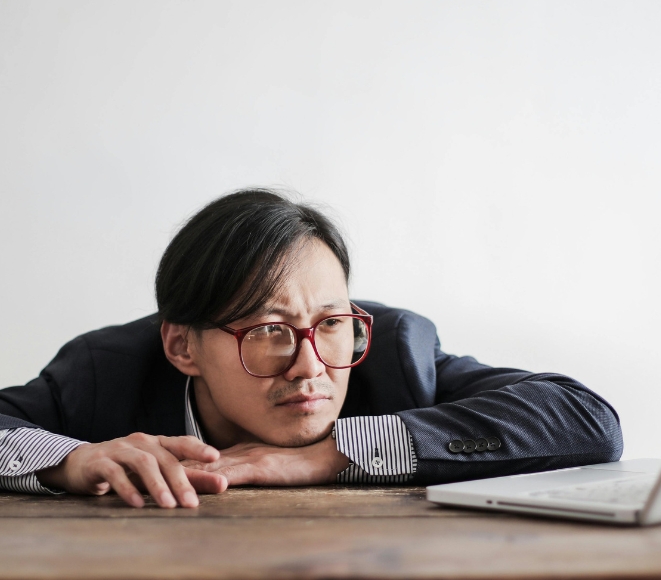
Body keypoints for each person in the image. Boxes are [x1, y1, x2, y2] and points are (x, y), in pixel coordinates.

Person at [0, 189, 623, 508]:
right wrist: (68, 462)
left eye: (330, 323)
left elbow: (586, 419)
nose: (312, 366)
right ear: (183, 346)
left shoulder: (394, 351)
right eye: (267, 331)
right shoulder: (105, 371)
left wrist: (332, 455)